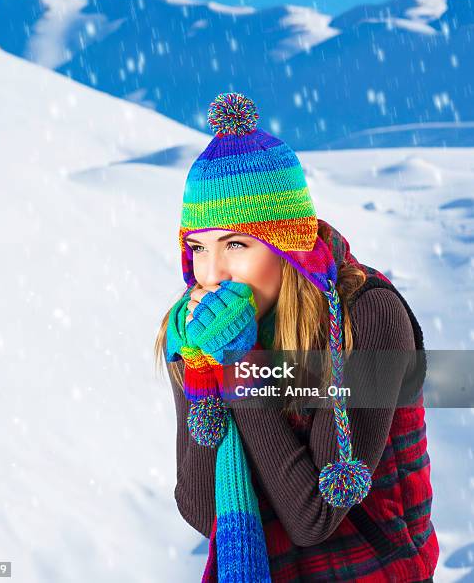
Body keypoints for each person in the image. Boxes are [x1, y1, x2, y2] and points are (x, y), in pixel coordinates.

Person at [154, 92, 439, 582]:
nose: (212, 272)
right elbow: (204, 511)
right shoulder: (199, 333)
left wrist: (242, 366)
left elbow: (315, 517)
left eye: (237, 244)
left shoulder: (367, 316)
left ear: (286, 246)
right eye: (198, 247)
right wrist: (209, 365)